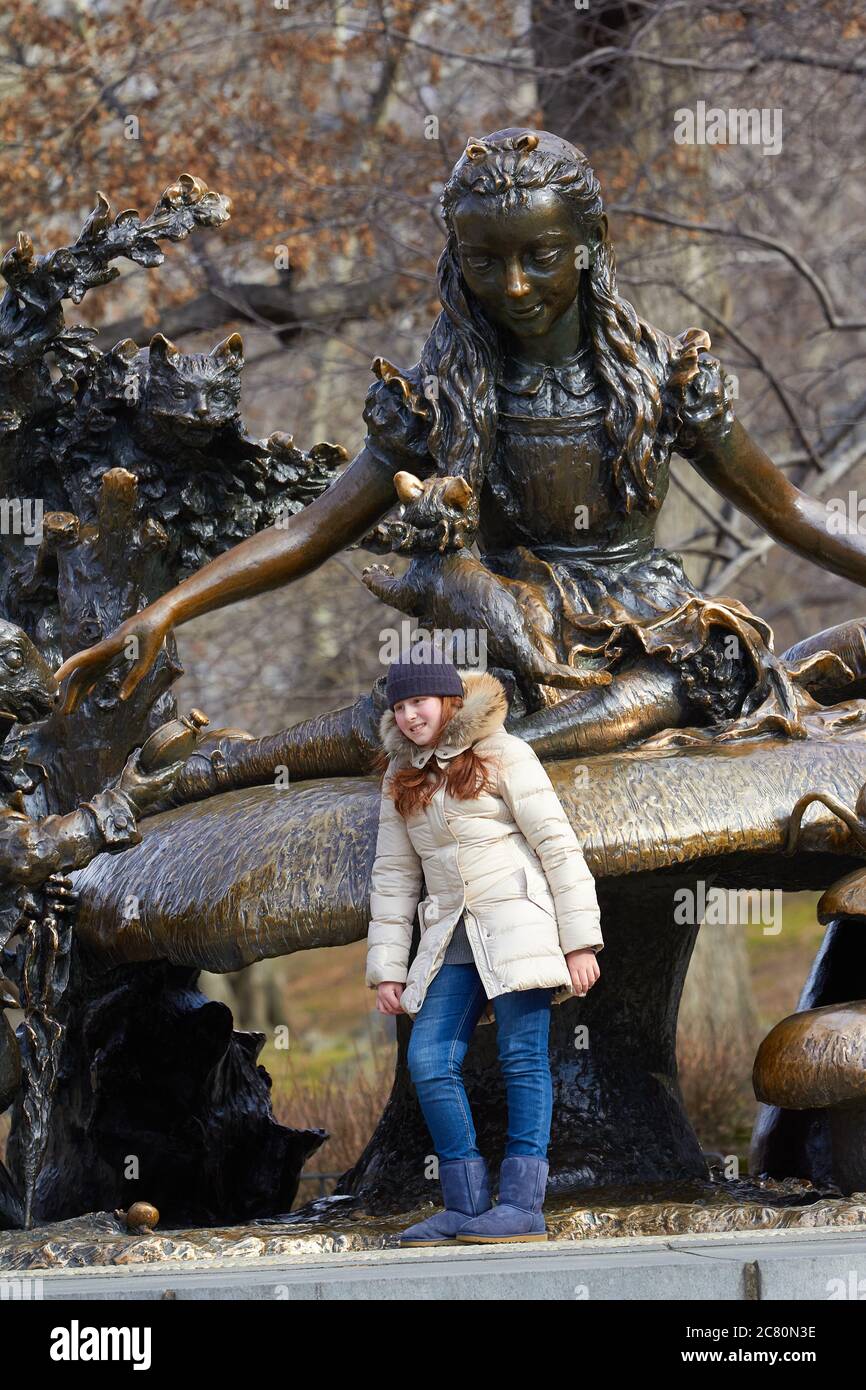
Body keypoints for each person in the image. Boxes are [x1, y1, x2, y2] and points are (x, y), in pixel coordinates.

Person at [53, 128, 866, 762]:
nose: (514, 286)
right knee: (435, 686)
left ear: (591, 243)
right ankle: (207, 767)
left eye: (540, 257)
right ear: (458, 260)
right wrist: (168, 609)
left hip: (643, 628)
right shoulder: (439, 399)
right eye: (485, 261)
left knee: (674, 685)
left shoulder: (663, 382)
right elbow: (308, 533)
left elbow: (789, 509)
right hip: (515, 622)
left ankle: (495, 753)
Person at [366, 642, 603, 1245]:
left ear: (448, 700)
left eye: (419, 703)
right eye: (398, 708)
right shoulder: (401, 775)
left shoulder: (504, 752)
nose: (409, 717)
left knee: (523, 1060)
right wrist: (388, 970)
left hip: (519, 925)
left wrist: (580, 945)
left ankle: (523, 1207)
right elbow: (394, 877)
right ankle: (467, 1206)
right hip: (448, 937)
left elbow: (557, 844)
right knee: (427, 1060)